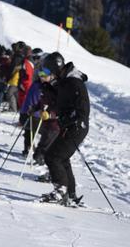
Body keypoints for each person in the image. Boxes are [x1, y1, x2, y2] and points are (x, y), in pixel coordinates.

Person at [38, 52, 90, 205]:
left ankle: (60, 190)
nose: (46, 74)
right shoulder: (65, 81)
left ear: (55, 69)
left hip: (75, 127)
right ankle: (70, 194)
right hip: (71, 126)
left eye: (47, 71)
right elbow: (62, 101)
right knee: (62, 158)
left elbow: (81, 111)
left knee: (52, 157)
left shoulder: (73, 83)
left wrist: (66, 120)